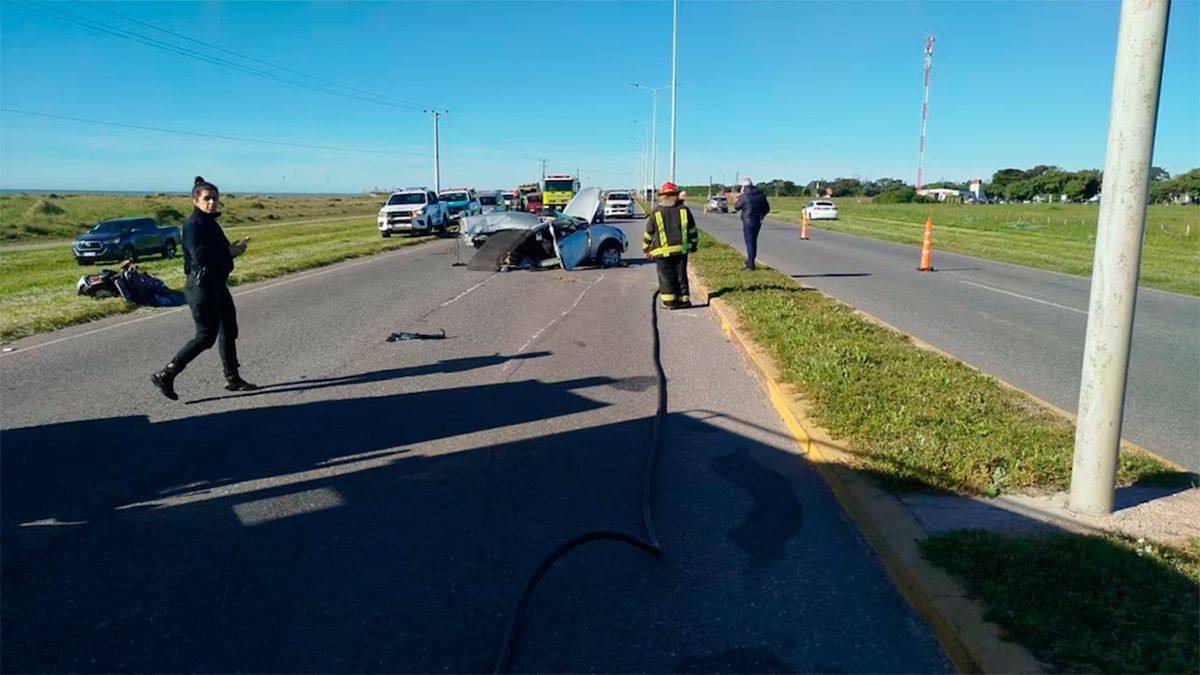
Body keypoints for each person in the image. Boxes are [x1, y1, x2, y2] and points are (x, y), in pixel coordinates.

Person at [151, 176, 257, 400]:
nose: (212, 203)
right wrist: (229, 252)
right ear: (195, 201)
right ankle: (167, 373)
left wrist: (235, 248)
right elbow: (201, 257)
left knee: (229, 329)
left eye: (215, 199)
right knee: (206, 336)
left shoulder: (209, 222)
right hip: (202, 287)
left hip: (216, 284)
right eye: (207, 199)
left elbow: (219, 249)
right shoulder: (193, 225)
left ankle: (233, 378)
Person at [643, 181, 698, 309]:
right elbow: (692, 231)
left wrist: (646, 249)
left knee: (666, 277)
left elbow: (648, 233)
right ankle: (684, 301)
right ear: (676, 195)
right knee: (681, 275)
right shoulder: (684, 210)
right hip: (681, 251)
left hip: (662, 252)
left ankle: (669, 302)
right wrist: (693, 245)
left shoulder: (656, 212)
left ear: (661, 195)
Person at [734, 177, 770, 270]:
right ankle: (750, 261)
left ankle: (750, 264)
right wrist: (761, 215)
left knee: (750, 242)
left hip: (747, 221)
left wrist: (738, 198)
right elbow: (767, 209)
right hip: (757, 221)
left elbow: (737, 207)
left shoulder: (744, 195)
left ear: (744, 186)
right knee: (753, 241)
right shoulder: (761, 195)